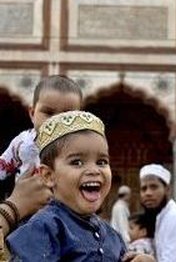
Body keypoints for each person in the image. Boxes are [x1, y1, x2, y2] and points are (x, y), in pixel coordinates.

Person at [6, 110, 126, 260]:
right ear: (48, 176)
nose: (94, 170)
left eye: (101, 162)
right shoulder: (44, 228)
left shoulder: (112, 235)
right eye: (77, 162)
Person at [0, 75, 83, 180]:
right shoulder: (23, 141)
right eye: (49, 113)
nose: (55, 121)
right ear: (32, 113)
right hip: (25, 194)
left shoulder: (81, 145)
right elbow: (3, 166)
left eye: (66, 116)